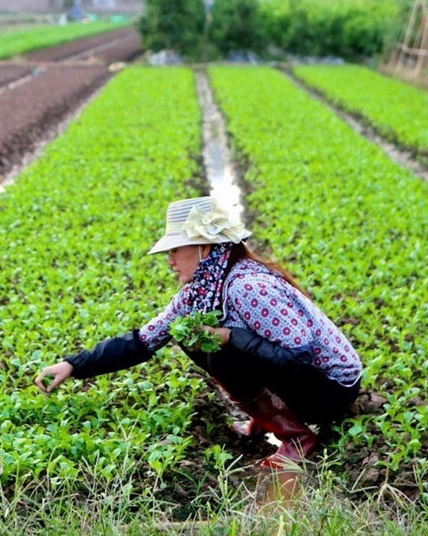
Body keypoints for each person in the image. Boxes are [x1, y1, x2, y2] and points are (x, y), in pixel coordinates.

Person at [35, 197, 363, 469]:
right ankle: (269, 418)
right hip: (303, 381)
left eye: (176, 250)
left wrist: (231, 337)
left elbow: (299, 356)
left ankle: (296, 436)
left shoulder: (247, 286)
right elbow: (144, 340)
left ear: (205, 247)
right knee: (192, 335)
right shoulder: (201, 292)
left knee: (221, 348)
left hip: (331, 389)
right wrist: (74, 365)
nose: (170, 261)